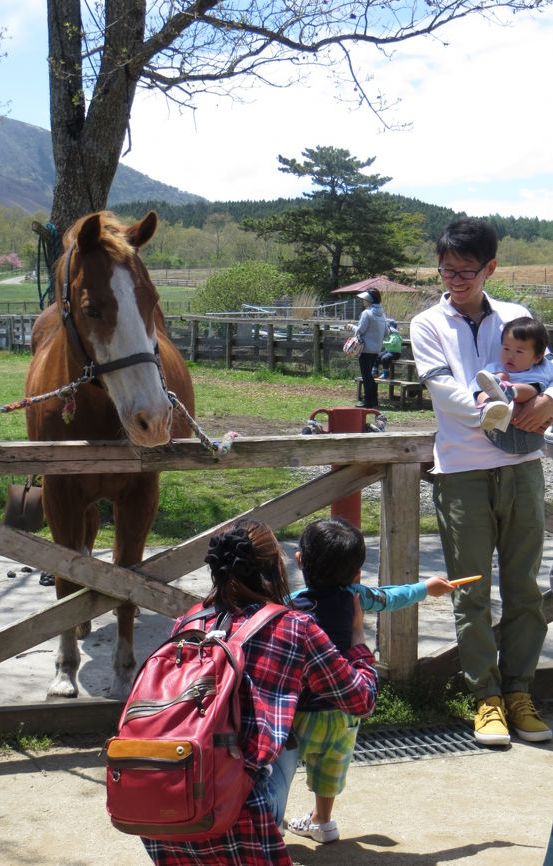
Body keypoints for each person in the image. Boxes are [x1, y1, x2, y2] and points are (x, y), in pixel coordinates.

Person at [141, 518, 378, 866]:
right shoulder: (294, 626)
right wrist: (357, 641)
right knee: (280, 730)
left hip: (166, 810)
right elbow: (361, 701)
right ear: (278, 567)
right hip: (242, 818)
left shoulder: (189, 622)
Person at [410, 216, 553, 747]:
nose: (455, 280)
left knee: (524, 589)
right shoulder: (427, 323)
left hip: (521, 468)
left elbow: (549, 368)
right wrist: (486, 408)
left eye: (466, 271)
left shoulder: (518, 316)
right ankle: (485, 698)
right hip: (461, 471)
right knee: (470, 591)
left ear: (490, 267)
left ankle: (519, 692)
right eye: (447, 270)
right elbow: (440, 387)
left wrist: (548, 400)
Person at [284, 517, 454, 845]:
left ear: (300, 560)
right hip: (346, 706)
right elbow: (391, 597)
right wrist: (425, 589)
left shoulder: (289, 604)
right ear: (356, 573)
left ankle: (271, 817)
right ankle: (323, 820)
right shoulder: (357, 597)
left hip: (298, 711)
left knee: (283, 766)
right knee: (331, 764)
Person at [471, 316, 553, 454]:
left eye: (519, 351)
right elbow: (476, 386)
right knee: (486, 389)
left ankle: (509, 391)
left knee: (534, 388)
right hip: (502, 434)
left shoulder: (543, 368)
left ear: (537, 357)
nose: (510, 356)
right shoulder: (495, 367)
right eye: (506, 348)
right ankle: (493, 404)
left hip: (532, 435)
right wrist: (484, 398)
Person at [352, 288, 388, 408]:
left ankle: (368, 401)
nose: (363, 301)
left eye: (365, 299)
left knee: (366, 376)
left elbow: (360, 330)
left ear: (369, 300)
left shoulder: (367, 313)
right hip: (376, 349)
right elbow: (387, 332)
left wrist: (351, 327)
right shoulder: (382, 314)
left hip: (365, 349)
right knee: (369, 376)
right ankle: (374, 400)